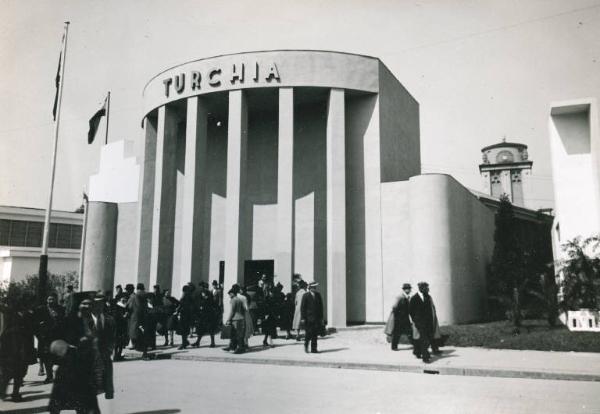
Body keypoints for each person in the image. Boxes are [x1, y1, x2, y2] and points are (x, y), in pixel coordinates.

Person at [48, 297, 101, 414]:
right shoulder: (68, 320)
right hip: (69, 367)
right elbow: (53, 338)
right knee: (59, 402)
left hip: (85, 367)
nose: (87, 306)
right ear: (78, 305)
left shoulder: (90, 320)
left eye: (89, 304)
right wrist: (66, 348)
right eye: (84, 303)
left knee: (87, 403)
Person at [0, 291, 36, 402]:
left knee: (20, 372)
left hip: (23, 347)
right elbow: (5, 330)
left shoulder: (30, 314)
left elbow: (32, 331)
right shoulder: (10, 313)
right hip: (11, 345)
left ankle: (15, 393)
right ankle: (3, 392)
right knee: (8, 371)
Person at [35, 293, 66, 383]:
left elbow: (64, 322)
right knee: (46, 357)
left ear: (56, 300)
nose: (51, 301)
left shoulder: (61, 309)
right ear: (46, 300)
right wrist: (39, 334)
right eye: (49, 299)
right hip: (45, 337)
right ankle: (49, 376)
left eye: (53, 299)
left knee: (57, 357)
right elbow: (35, 323)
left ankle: (58, 375)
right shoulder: (41, 309)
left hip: (57, 337)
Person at [90, 292, 116, 400]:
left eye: (101, 303)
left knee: (105, 377)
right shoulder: (84, 320)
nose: (99, 306)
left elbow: (112, 337)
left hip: (104, 353)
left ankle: (108, 392)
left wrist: (111, 349)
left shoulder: (109, 320)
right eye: (96, 303)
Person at [409, 282, 442, 363]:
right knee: (424, 339)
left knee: (426, 338)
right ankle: (426, 357)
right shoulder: (414, 298)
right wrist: (415, 320)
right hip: (420, 323)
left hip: (429, 323)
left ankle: (417, 351)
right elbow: (410, 311)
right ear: (421, 288)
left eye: (428, 288)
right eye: (426, 288)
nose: (428, 289)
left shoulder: (428, 297)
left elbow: (431, 310)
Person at [385, 283, 414, 352]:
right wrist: (398, 315)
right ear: (404, 289)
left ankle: (416, 345)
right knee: (397, 333)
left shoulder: (407, 297)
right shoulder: (400, 297)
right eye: (407, 289)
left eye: (409, 289)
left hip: (405, 318)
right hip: (399, 318)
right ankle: (394, 347)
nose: (409, 290)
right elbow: (394, 307)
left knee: (409, 332)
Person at [126, 283, 149, 359]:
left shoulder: (134, 297)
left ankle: (143, 352)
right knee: (142, 335)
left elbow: (130, 307)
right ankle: (144, 352)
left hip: (135, 318)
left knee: (136, 335)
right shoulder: (144, 295)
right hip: (143, 317)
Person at [300, 281, 324, 354]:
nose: (315, 288)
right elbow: (302, 308)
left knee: (315, 334)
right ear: (310, 288)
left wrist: (321, 318)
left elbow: (321, 307)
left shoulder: (318, 295)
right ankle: (306, 345)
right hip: (308, 318)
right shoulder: (305, 296)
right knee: (308, 333)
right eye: (313, 287)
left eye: (315, 287)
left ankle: (314, 348)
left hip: (316, 318)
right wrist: (303, 318)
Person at [224, 286, 246, 354]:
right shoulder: (239, 299)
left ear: (233, 293)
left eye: (230, 294)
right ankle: (235, 346)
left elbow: (232, 311)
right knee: (239, 334)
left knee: (235, 334)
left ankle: (238, 348)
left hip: (235, 319)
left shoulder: (233, 300)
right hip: (241, 318)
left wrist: (228, 319)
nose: (229, 295)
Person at [176, 285, 195, 350]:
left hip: (185, 315)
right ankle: (185, 342)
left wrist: (178, 311)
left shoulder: (185, 297)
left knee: (183, 330)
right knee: (185, 330)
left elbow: (181, 305)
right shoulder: (190, 297)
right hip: (187, 315)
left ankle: (184, 343)